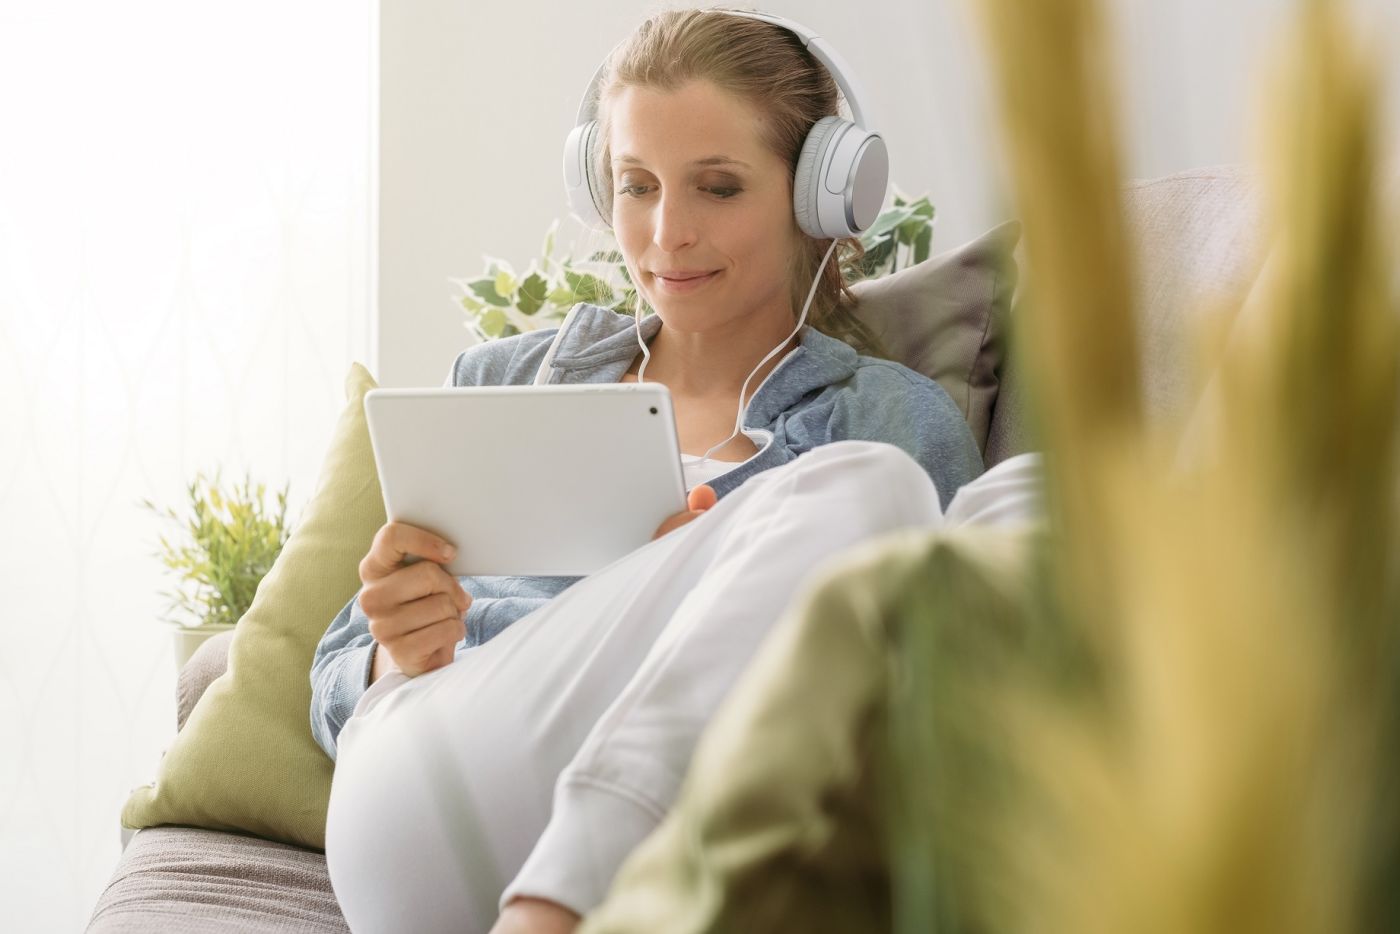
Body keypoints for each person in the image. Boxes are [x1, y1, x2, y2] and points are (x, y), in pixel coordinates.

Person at [310, 8, 1002, 933]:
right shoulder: (505, 380)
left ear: (818, 197)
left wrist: (707, 582)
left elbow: (930, 716)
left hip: (698, 839)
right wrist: (394, 656)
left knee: (871, 485)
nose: (667, 233)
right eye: (636, 186)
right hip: (431, 786)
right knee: (865, 487)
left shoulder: (887, 419)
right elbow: (330, 678)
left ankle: (558, 905)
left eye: (717, 187)